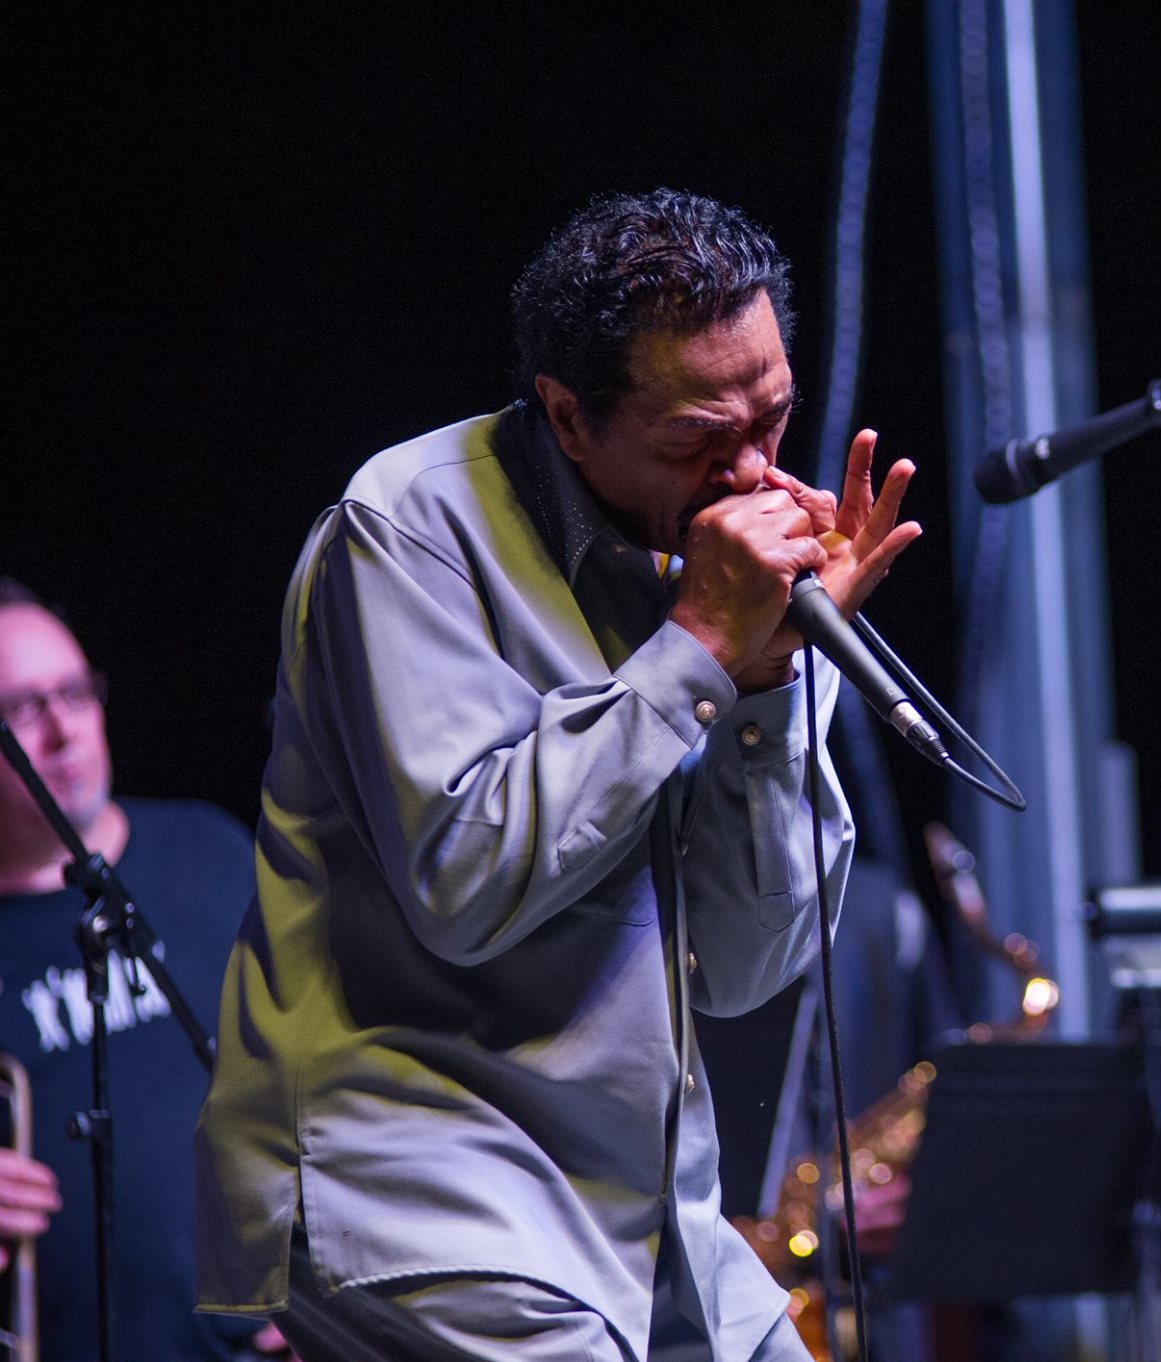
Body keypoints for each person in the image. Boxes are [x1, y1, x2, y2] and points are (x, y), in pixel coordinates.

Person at [194, 189, 921, 1362]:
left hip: (645, 1211)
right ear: (568, 416)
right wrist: (693, 655)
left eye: (773, 421)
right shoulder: (406, 530)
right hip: (424, 1185)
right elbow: (464, 888)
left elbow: (747, 969)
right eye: (697, 438)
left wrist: (770, 693)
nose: (751, 476)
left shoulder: (741, 592)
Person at [0, 579, 278, 1360]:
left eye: (75, 693)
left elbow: (338, 1082)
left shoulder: (212, 854)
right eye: (23, 709)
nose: (63, 730)